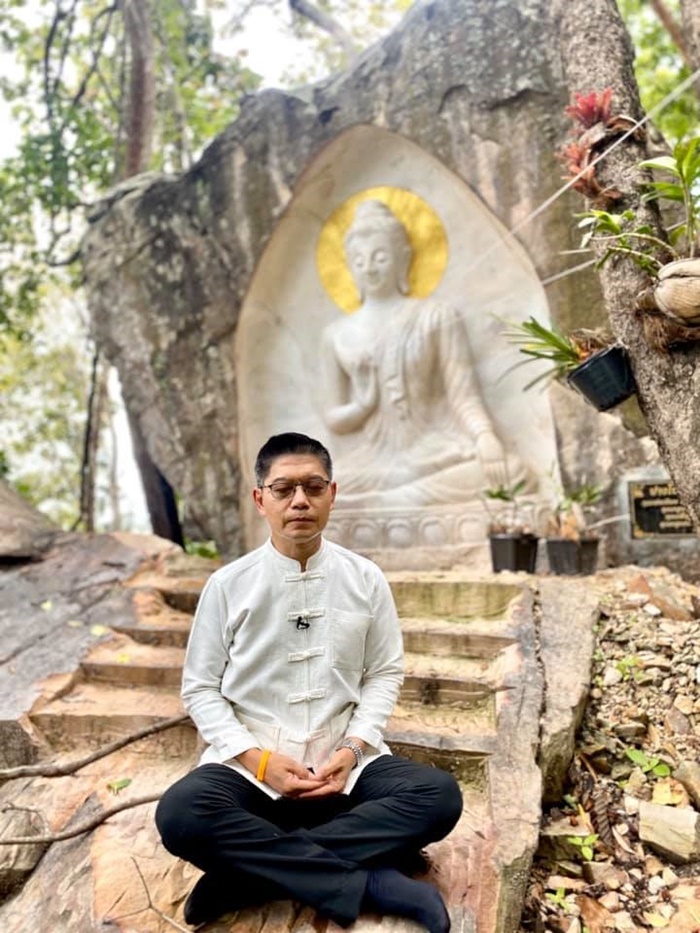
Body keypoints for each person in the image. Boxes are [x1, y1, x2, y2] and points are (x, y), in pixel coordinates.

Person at [155, 432, 463, 930]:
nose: (300, 500)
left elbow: (384, 672)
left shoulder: (365, 578)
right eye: (284, 489)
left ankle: (243, 877)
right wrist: (259, 761)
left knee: (439, 797)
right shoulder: (228, 585)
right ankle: (372, 883)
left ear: (331, 495)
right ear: (261, 499)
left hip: (343, 770)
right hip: (252, 772)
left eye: (313, 487)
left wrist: (353, 749)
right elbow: (200, 688)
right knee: (180, 815)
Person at [321, 199, 529, 509]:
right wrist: (362, 405)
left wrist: (485, 436)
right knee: (321, 488)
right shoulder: (336, 334)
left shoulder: (436, 316)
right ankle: (394, 501)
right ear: (349, 266)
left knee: (515, 474)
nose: (370, 268)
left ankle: (387, 504)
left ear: (403, 258)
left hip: (435, 451)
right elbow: (334, 419)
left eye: (380, 256)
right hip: (372, 463)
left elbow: (463, 395)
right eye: (359, 260)